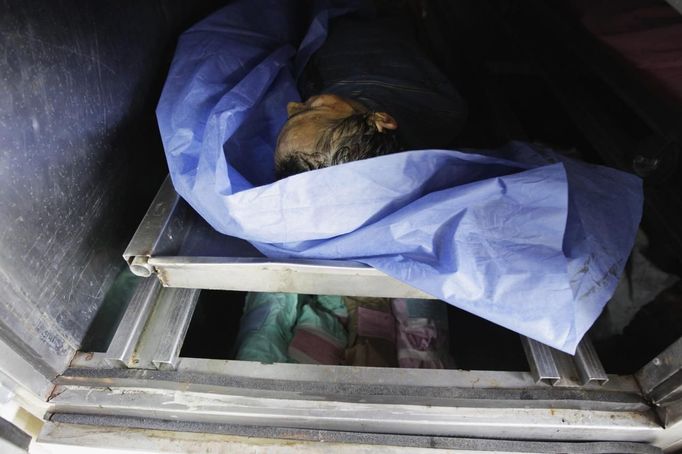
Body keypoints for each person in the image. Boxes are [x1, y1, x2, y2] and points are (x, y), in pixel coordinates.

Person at [274, 6, 467, 178]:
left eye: (294, 113)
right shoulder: (439, 108)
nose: (292, 105)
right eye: (311, 110)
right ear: (382, 120)